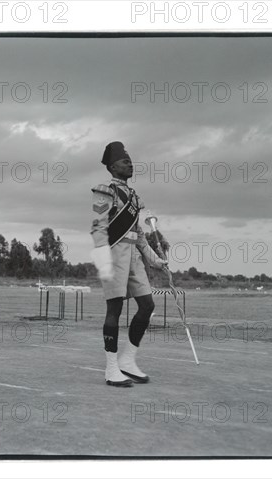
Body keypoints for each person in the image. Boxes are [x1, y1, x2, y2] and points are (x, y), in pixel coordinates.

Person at [90, 141, 167, 387]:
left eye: (130, 160)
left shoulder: (134, 197)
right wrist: (102, 257)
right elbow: (99, 226)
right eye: (125, 161)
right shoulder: (105, 191)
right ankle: (111, 369)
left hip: (133, 255)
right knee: (115, 310)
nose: (130, 164)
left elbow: (140, 235)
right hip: (113, 254)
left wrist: (155, 259)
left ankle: (127, 360)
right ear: (113, 166)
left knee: (147, 305)